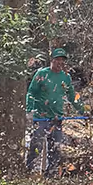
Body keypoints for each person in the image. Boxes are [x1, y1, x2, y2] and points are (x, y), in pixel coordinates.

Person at [25, 47, 82, 177]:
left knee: (55, 149)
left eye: (62, 60)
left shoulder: (66, 77)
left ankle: (50, 175)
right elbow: (31, 93)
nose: (60, 63)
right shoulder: (41, 74)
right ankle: (29, 172)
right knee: (36, 146)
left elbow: (72, 97)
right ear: (52, 60)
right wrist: (29, 110)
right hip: (40, 117)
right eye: (57, 60)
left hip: (56, 118)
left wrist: (83, 110)